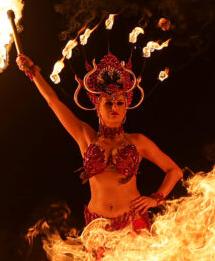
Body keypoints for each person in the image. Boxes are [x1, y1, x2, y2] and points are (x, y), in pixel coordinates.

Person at [16, 51, 182, 234]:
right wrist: (33, 71)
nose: (114, 108)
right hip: (98, 228)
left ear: (126, 110)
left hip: (132, 224)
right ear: (98, 109)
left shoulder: (138, 141)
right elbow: (53, 102)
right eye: (108, 104)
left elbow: (174, 171)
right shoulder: (86, 136)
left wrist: (155, 198)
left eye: (120, 103)